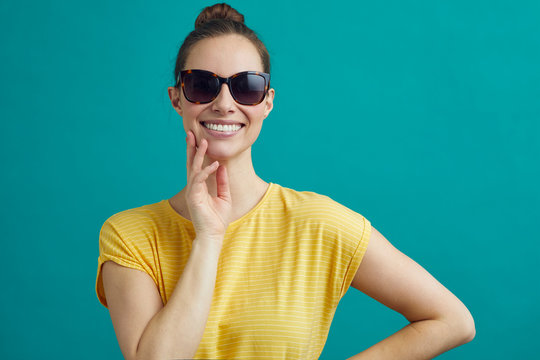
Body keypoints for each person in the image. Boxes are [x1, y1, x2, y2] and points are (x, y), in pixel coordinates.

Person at [95, 3, 475, 359]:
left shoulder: (318, 223)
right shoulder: (130, 235)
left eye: (246, 86)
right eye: (202, 85)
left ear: (267, 101)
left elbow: (453, 320)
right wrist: (209, 238)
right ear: (177, 98)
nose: (225, 103)